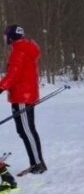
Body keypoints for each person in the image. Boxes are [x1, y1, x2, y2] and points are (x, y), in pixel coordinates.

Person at [0, 24, 45, 173]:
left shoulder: (19, 52)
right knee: (24, 130)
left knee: (27, 131)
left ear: (12, 37)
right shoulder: (24, 49)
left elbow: (13, 75)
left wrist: (1, 87)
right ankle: (36, 162)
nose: (5, 39)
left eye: (6, 36)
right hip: (25, 95)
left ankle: (38, 164)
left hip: (22, 97)